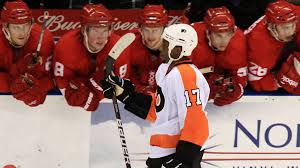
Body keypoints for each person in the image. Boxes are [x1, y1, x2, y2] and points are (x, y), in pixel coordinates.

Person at [102, 24, 209, 168]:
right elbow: (158, 111)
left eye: (165, 43)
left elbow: (195, 119)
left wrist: (184, 160)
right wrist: (125, 94)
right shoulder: (169, 72)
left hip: (176, 155)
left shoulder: (185, 74)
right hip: (162, 153)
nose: (160, 47)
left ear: (177, 49)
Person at [53, 3, 130, 111]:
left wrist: (91, 90)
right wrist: (95, 85)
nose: (101, 37)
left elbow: (120, 87)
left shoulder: (119, 48)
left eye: (105, 30)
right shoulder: (65, 47)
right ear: (84, 30)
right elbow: (65, 87)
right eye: (96, 30)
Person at [0, 0, 54, 106]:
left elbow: (53, 78)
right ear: (5, 27)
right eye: (16, 27)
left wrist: (38, 87)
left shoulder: (44, 39)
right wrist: (12, 83)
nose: (22, 32)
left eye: (26, 25)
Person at [190, 6, 247, 106]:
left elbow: (240, 80)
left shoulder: (238, 40)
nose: (224, 41)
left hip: (217, 79)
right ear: (208, 33)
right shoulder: (191, 39)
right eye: (218, 35)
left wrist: (235, 91)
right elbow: (177, 78)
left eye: (228, 34)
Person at [246, 1, 298, 93]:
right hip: (264, 59)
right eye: (285, 28)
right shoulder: (259, 47)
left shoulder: (294, 14)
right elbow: (256, 83)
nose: (291, 32)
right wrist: (279, 81)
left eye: (293, 25)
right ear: (271, 27)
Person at [115, 4, 168, 93]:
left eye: (155, 30)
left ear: (164, 29)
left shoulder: (175, 47)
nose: (151, 36)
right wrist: (141, 90)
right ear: (140, 29)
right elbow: (123, 79)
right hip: (138, 98)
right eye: (147, 30)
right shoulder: (129, 42)